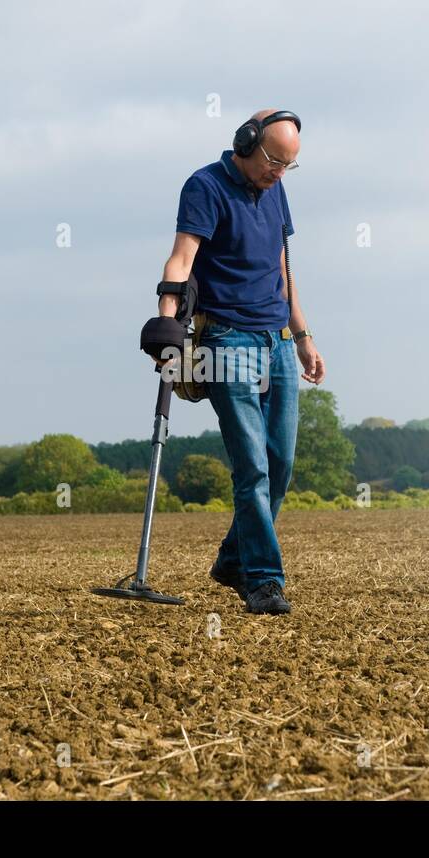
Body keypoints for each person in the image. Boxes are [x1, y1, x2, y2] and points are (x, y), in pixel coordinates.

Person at [155, 109, 325, 614]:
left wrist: (302, 335)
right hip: (225, 340)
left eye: (289, 166)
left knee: (281, 462)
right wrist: (166, 325)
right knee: (251, 465)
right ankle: (264, 580)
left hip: (275, 339)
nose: (279, 172)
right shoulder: (205, 187)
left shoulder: (276, 190)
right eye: (274, 160)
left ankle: (232, 558)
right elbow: (181, 260)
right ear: (247, 142)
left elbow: (283, 267)